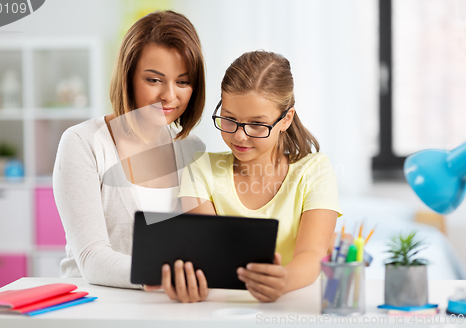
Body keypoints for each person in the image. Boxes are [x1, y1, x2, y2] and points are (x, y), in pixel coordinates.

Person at [52, 10, 209, 302]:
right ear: (128, 77)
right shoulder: (82, 142)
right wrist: (161, 274)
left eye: (183, 82)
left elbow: (205, 243)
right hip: (92, 309)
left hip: (165, 309)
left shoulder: (191, 149)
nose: (169, 95)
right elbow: (91, 256)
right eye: (154, 80)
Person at [179, 50, 343, 302]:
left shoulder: (314, 170)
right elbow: (207, 252)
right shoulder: (200, 168)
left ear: (286, 119)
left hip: (295, 303)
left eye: (257, 124)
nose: (240, 136)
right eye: (229, 119)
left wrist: (284, 280)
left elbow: (312, 254)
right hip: (221, 307)